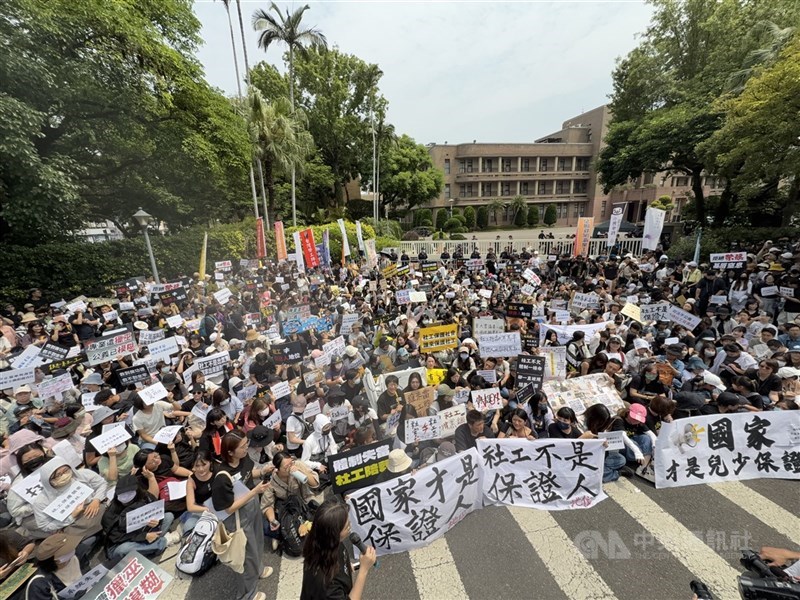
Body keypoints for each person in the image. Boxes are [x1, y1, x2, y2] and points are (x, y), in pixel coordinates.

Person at [211, 430, 273, 600]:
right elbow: (228, 509)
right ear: (230, 452)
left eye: (247, 443)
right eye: (243, 446)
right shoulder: (221, 477)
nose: (247, 448)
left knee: (257, 542)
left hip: (252, 506)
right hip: (237, 516)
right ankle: (248, 594)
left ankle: (258, 569)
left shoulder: (244, 458)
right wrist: (254, 492)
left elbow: (247, 474)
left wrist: (262, 471)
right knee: (245, 555)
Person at [300, 499, 377, 600]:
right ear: (334, 533)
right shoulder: (326, 584)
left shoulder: (322, 542)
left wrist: (347, 567)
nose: (350, 527)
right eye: (347, 526)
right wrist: (364, 570)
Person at [102, 474, 180, 563]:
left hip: (146, 530)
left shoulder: (146, 497)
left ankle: (149, 547)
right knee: (123, 549)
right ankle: (163, 542)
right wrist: (144, 536)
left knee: (168, 516)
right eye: (122, 495)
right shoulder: (110, 515)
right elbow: (117, 537)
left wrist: (156, 521)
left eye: (129, 494)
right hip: (125, 541)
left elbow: (158, 511)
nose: (126, 498)